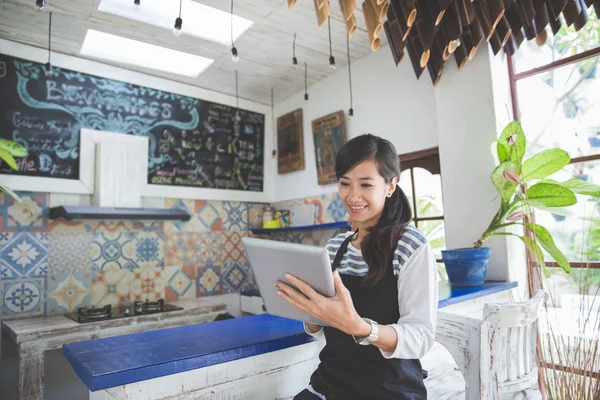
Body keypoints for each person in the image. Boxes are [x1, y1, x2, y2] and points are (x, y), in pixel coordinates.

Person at [275, 134, 438, 400]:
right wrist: (309, 308)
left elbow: (421, 337)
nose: (353, 196)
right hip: (330, 387)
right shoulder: (334, 247)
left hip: (390, 391)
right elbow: (318, 327)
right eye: (345, 183)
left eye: (365, 184)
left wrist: (360, 327)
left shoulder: (410, 246)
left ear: (390, 186)